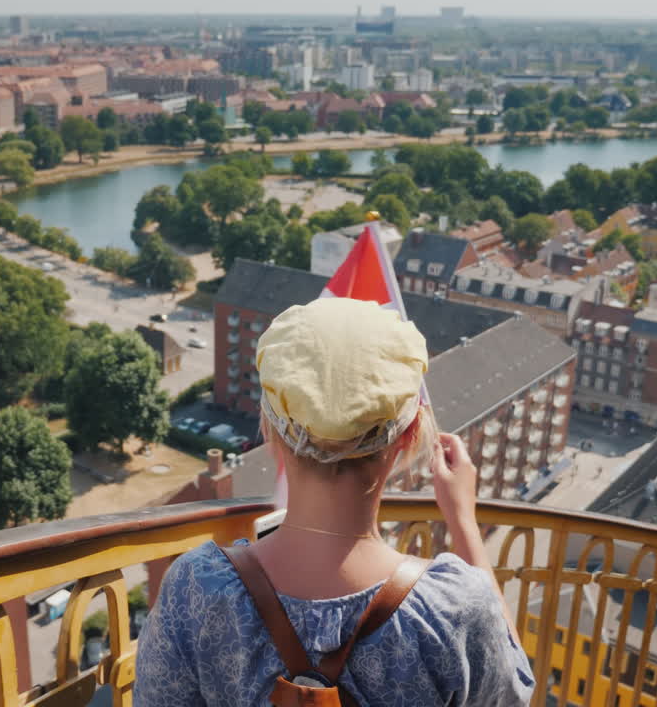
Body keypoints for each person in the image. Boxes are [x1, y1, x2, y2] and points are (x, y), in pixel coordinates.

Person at [135, 298, 535, 707]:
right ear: (410, 434)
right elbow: (514, 693)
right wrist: (463, 520)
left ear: (269, 427)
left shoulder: (196, 589)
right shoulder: (452, 611)